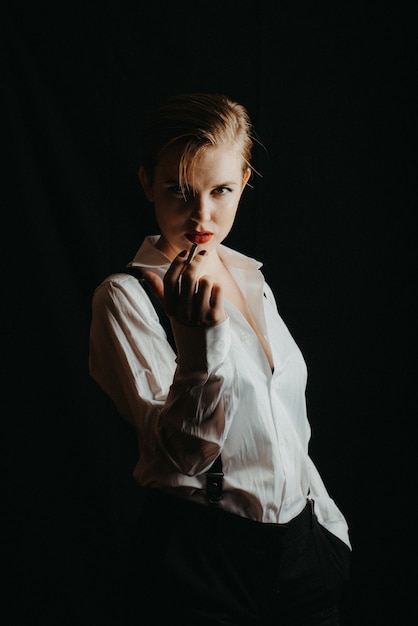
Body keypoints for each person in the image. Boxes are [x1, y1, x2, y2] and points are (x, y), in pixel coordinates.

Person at [89, 92, 351, 625]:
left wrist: (327, 530)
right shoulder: (125, 297)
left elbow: (285, 429)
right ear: (147, 184)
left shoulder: (252, 281)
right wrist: (198, 345)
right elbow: (180, 456)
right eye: (178, 192)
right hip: (203, 562)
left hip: (304, 557)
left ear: (246, 178)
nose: (201, 215)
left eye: (221, 190)